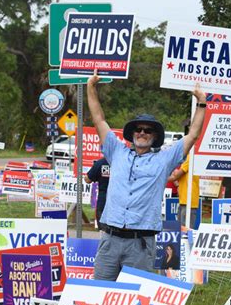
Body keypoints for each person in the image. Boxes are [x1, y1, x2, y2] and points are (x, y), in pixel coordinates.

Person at [87, 69, 207, 281]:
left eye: (147, 130)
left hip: (140, 244)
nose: (142, 133)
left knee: (134, 300)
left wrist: (202, 103)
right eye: (138, 129)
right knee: (99, 294)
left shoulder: (164, 159)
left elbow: (193, 134)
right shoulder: (116, 151)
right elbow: (99, 119)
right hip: (110, 240)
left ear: (155, 137)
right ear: (132, 134)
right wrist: (91, 87)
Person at [168, 154, 200, 229]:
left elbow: (177, 175)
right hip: (183, 199)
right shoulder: (186, 157)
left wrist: (159, 179)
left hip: (189, 200)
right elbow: (176, 177)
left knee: (186, 231)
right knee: (181, 230)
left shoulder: (191, 156)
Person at [84, 158, 110, 229]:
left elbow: (87, 179)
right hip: (120, 201)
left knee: (103, 230)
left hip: (104, 200)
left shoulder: (101, 163)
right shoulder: (123, 162)